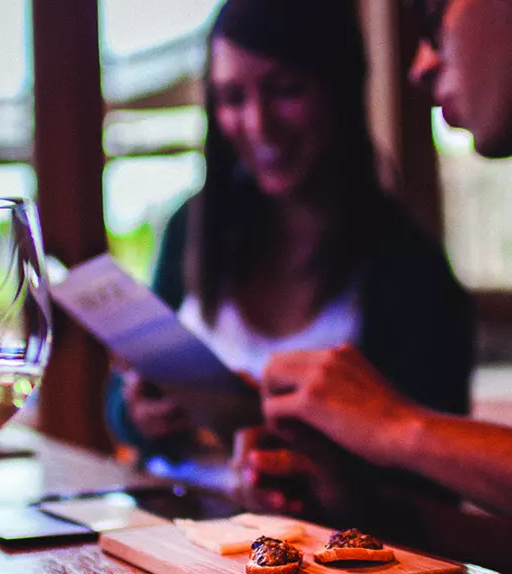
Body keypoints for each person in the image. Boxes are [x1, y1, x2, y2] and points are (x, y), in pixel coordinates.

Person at [105, 0, 473, 494]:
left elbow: (436, 483)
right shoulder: (191, 227)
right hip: (182, 535)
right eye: (233, 97)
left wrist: (326, 472)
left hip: (314, 554)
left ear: (338, 89)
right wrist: (136, 412)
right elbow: (118, 402)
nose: (258, 124)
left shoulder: (410, 269)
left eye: (285, 90)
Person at [249, 0, 512, 516]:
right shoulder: (192, 230)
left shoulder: (407, 259)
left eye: (434, 23)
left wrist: (395, 425)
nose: (419, 67)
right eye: (229, 97)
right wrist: (355, 499)